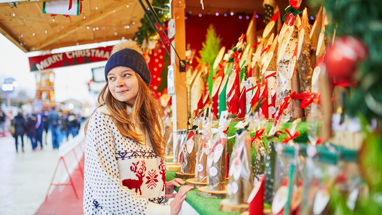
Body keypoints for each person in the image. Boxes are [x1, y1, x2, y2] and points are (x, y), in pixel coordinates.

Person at [83, 41, 192, 215]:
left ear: (141, 78)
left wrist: (158, 188)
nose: (118, 83)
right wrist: (165, 212)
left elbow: (141, 170)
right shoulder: (103, 120)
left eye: (126, 74)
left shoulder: (152, 119)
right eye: (111, 77)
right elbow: (105, 190)